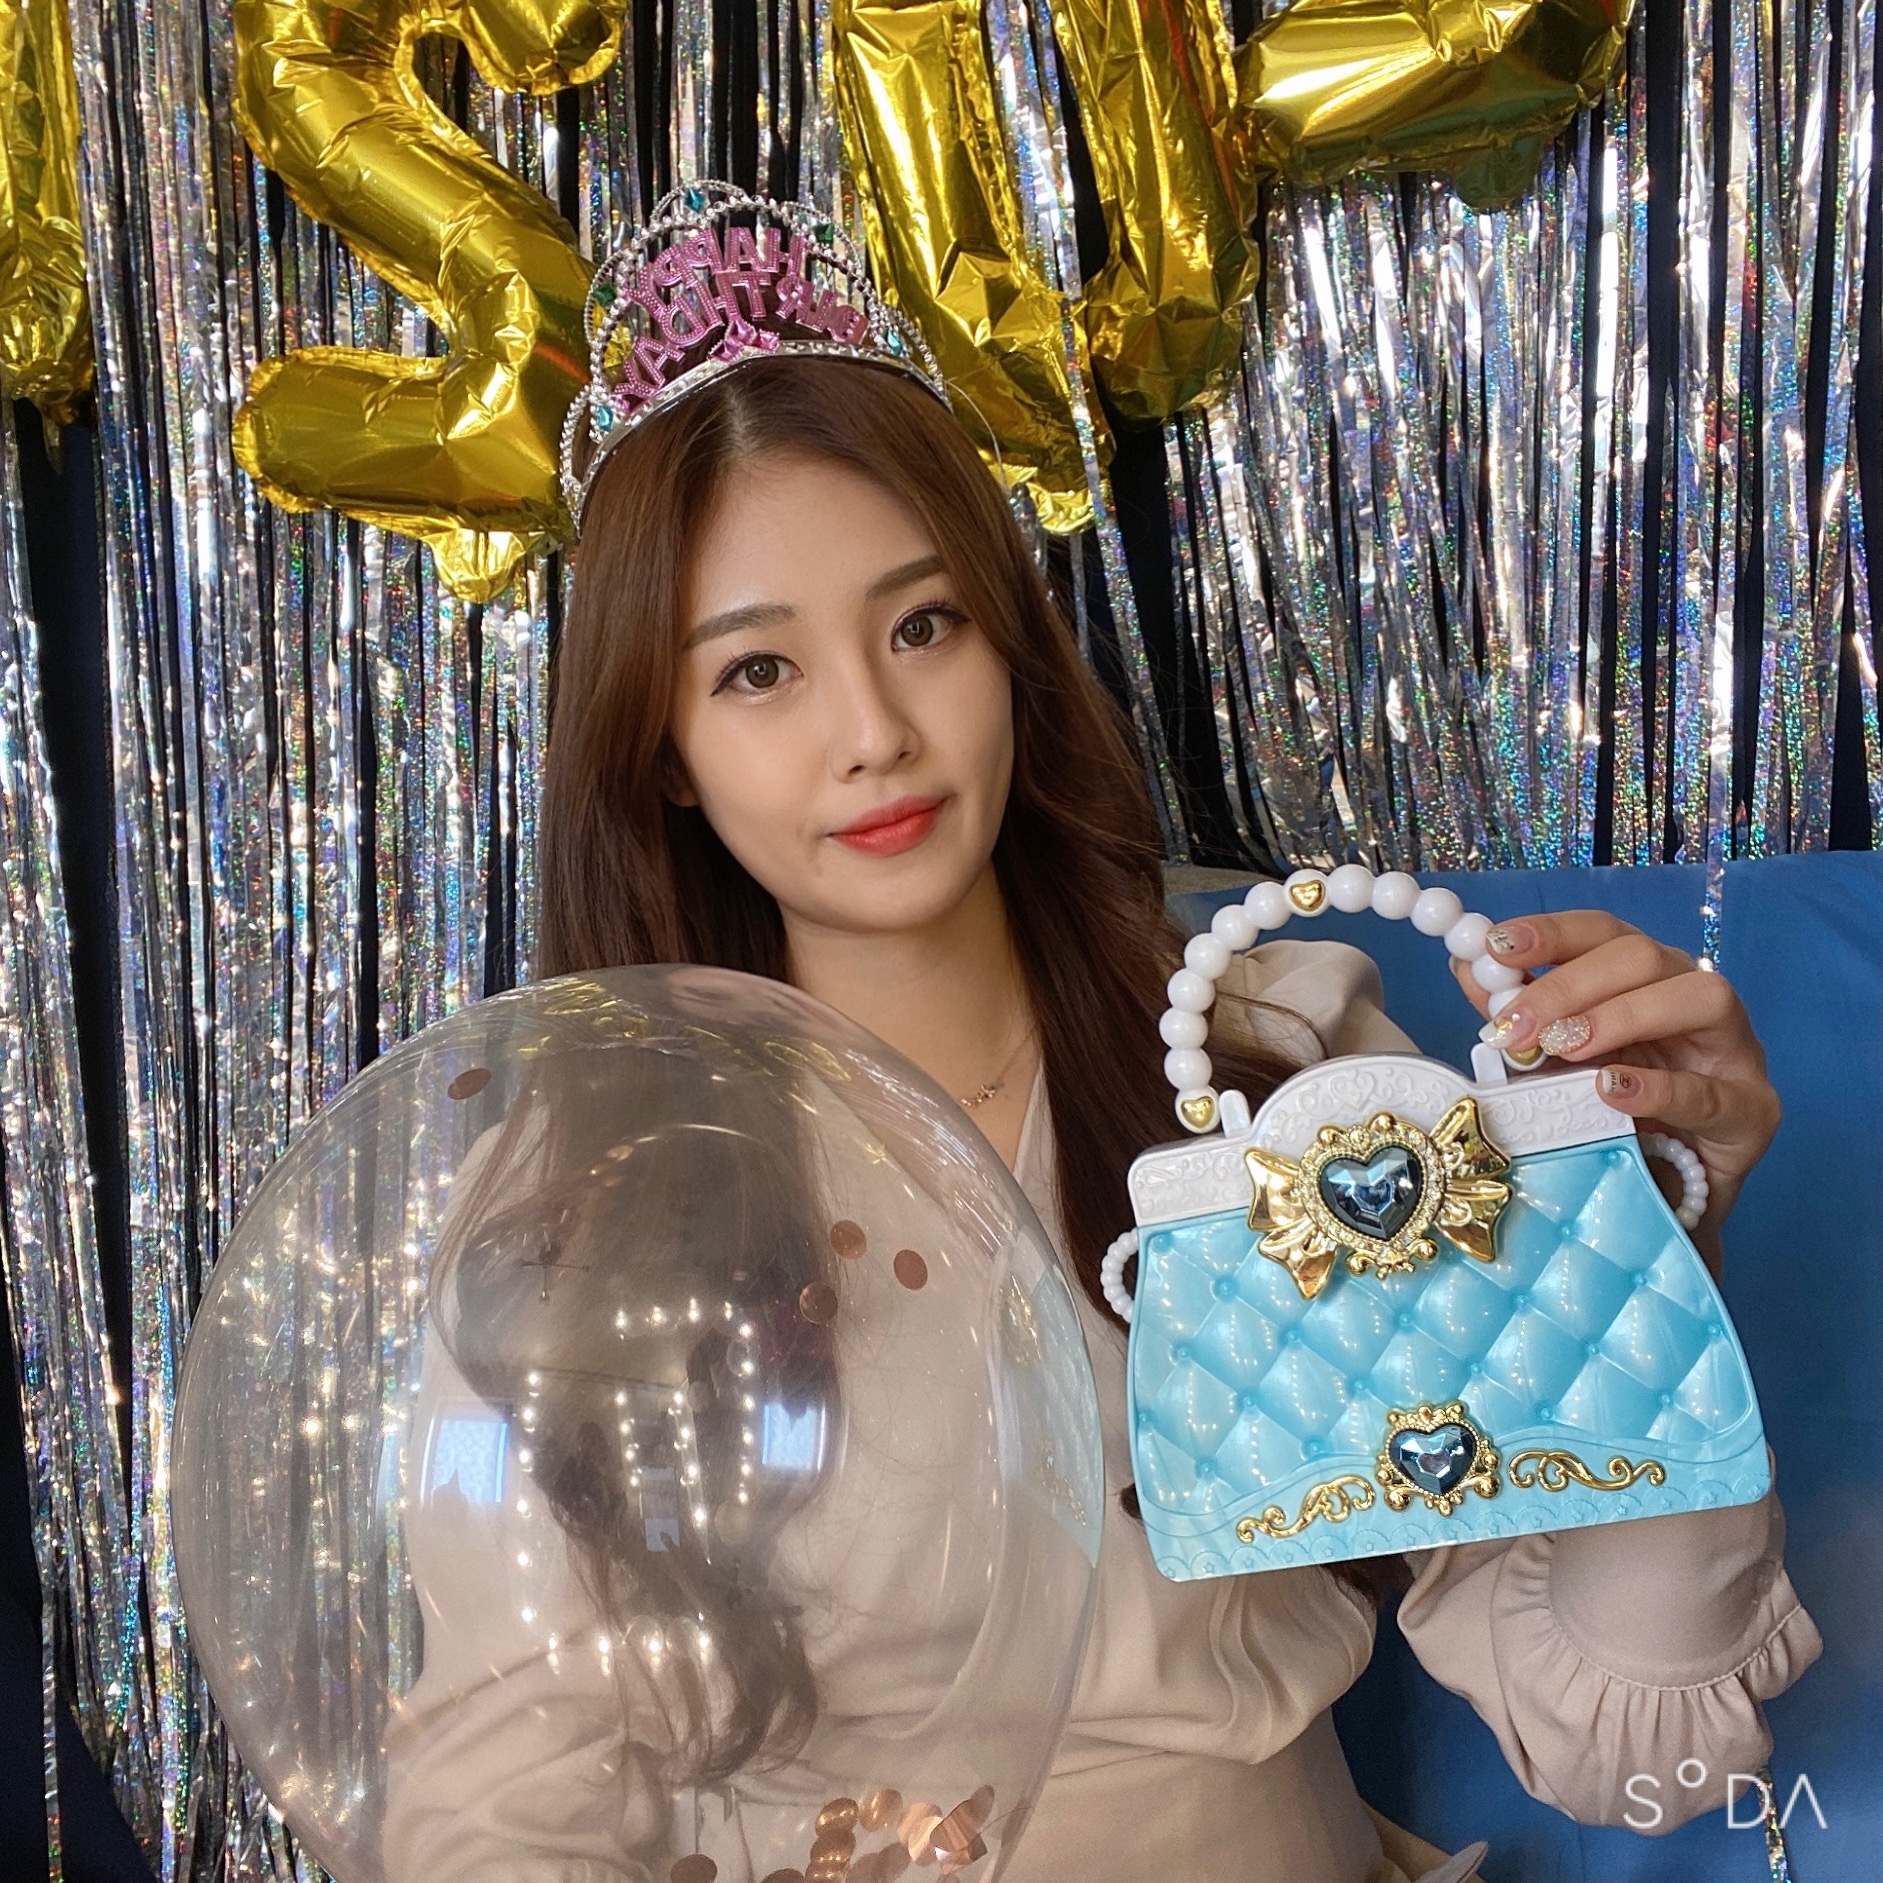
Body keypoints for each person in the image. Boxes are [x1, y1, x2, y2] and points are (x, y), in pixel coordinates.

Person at [383, 190, 1819, 1883]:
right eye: (758, 672)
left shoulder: (1279, 1062)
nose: (874, 732)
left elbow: (1636, 1746)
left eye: (923, 626)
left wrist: (1647, 1255)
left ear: (1010, 646)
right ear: (663, 753)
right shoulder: (583, 1201)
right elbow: (502, 1800)